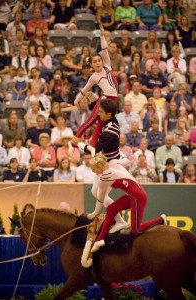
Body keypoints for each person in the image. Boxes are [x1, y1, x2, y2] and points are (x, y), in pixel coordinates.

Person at [87, 153, 166, 252]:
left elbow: (100, 199)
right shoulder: (114, 165)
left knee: (136, 230)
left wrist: (95, 213)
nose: (92, 171)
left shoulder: (105, 178)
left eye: (93, 169)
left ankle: (161, 220)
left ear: (100, 167)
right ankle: (100, 240)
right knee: (111, 209)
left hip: (138, 197)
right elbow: (126, 160)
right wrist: (120, 153)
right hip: (135, 193)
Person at [72, 99, 128, 233]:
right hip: (110, 159)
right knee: (94, 191)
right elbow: (100, 108)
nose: (99, 114)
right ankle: (120, 221)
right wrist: (92, 100)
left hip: (111, 164)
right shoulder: (111, 119)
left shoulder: (109, 133)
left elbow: (94, 151)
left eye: (101, 112)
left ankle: (120, 221)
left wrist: (78, 143)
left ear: (109, 114)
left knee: (99, 192)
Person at [73, 24, 119, 147]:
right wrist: (76, 101)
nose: (98, 63)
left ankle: (94, 146)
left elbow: (104, 49)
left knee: (101, 125)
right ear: (91, 66)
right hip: (105, 101)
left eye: (99, 60)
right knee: (91, 121)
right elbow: (84, 90)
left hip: (113, 101)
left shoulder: (107, 66)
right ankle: (76, 139)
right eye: (94, 62)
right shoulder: (94, 77)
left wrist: (102, 36)